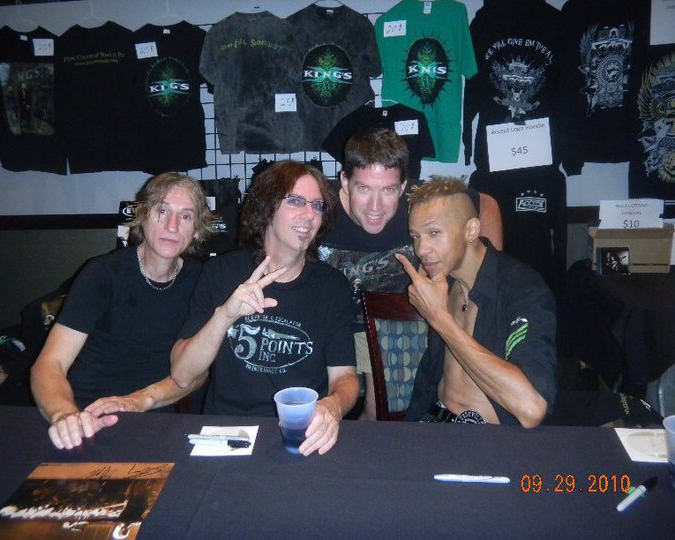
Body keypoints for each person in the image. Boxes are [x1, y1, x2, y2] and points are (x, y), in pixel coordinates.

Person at [171, 160, 359, 456]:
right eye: (295, 201)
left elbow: (345, 377)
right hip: (228, 433)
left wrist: (333, 406)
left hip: (302, 434)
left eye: (317, 206)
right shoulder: (221, 273)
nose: (309, 214)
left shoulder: (331, 286)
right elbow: (182, 374)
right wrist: (226, 315)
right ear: (267, 207)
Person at [319, 127, 503, 420]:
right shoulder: (318, 206)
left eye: (388, 190)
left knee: (384, 412)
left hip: (395, 324)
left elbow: (486, 206)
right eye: (363, 189)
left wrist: (483, 289)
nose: (375, 206)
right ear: (344, 181)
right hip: (332, 324)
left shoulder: (420, 202)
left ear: (404, 186)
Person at [31, 172, 215, 449]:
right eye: (162, 211)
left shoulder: (201, 280)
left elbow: (197, 373)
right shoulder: (103, 274)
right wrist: (64, 414)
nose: (172, 225)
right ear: (143, 216)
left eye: (186, 216)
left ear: (197, 230)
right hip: (86, 416)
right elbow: (49, 364)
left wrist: (140, 400)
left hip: (154, 422)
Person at [396, 177, 556, 427]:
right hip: (433, 423)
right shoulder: (442, 281)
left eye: (434, 233)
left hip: (494, 439)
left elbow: (531, 408)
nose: (421, 249)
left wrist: (440, 319)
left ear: (471, 230)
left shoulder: (523, 288)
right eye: (416, 236)